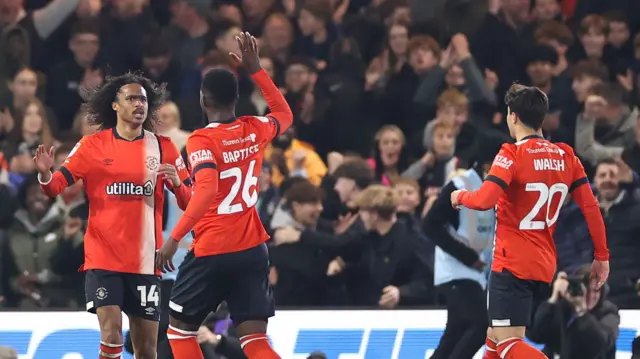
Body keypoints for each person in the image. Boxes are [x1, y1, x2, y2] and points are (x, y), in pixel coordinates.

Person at [33, 73, 192, 359]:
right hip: (103, 258)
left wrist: (179, 184)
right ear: (115, 106)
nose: (138, 104)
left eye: (143, 99)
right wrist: (45, 174)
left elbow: (190, 203)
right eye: (131, 98)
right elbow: (54, 188)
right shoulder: (92, 146)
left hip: (146, 261)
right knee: (111, 333)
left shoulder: (164, 146)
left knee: (146, 349)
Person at [156, 32, 293, 359]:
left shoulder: (202, 140)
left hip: (213, 249)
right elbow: (284, 114)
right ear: (235, 99)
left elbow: (206, 194)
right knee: (255, 341)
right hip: (251, 248)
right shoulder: (254, 128)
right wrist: (257, 70)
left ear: (204, 100)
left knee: (179, 330)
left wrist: (174, 238)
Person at [450, 84, 610, 359]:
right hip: (543, 262)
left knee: (508, 344)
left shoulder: (511, 154)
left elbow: (485, 200)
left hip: (511, 263)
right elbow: (591, 208)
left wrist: (460, 195)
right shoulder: (566, 155)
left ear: (512, 116)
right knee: (494, 338)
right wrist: (602, 256)